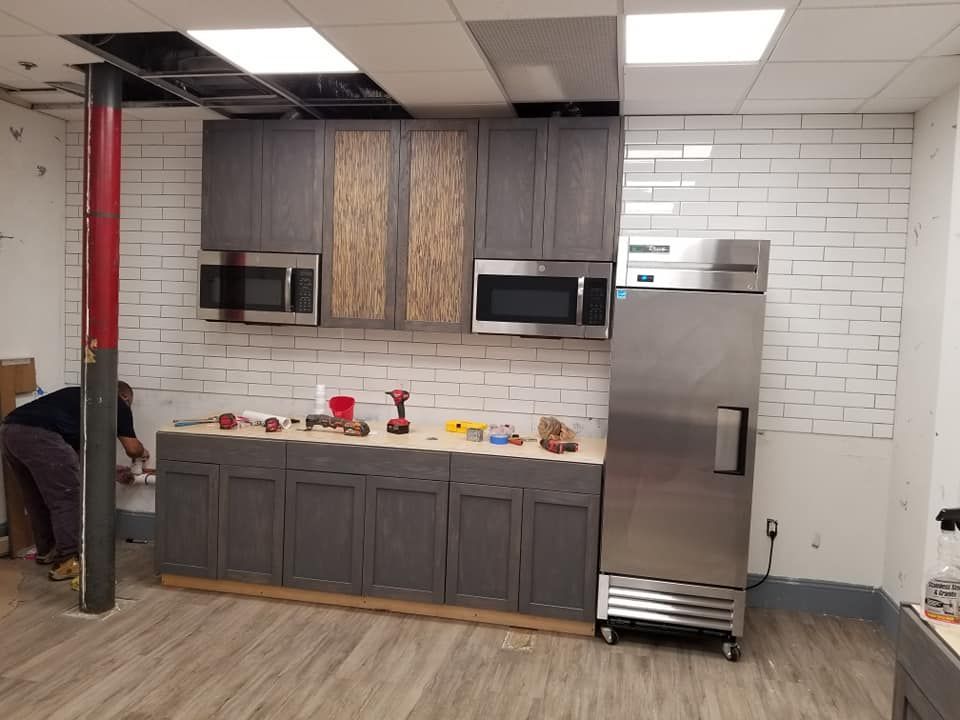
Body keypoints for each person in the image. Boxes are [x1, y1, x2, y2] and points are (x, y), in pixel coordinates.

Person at [0, 381, 147, 581]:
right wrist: (142, 453)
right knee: (68, 497)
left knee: (37, 497)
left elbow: (77, 457)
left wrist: (114, 472)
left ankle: (47, 551)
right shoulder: (116, 403)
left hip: (10, 431)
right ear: (125, 397)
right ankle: (69, 559)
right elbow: (132, 448)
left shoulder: (79, 400)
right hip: (40, 436)